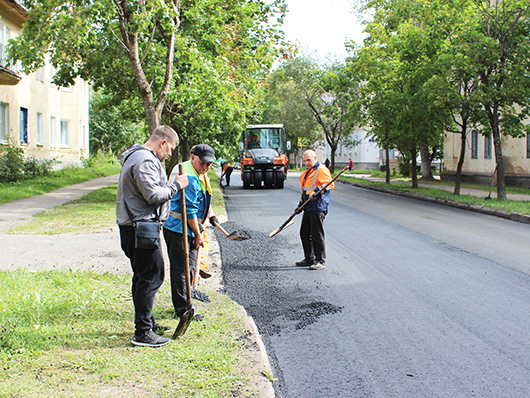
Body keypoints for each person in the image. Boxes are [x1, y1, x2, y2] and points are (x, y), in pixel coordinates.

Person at [116, 125, 188, 348]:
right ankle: (143, 332)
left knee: (143, 276)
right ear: (162, 143)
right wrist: (176, 186)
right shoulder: (144, 160)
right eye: (170, 150)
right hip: (141, 229)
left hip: (138, 227)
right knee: (151, 275)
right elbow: (153, 195)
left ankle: (147, 322)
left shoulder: (140, 157)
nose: (169, 155)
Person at [164, 144, 218, 321]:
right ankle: (183, 310)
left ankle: (188, 300)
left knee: (190, 268)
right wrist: (198, 234)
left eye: (209, 164)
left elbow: (204, 197)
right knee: (181, 270)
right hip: (178, 229)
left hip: (190, 228)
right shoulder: (188, 176)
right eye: (203, 163)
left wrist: (211, 215)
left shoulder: (199, 173)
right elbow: (191, 212)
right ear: (193, 156)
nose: (206, 167)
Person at [294, 150, 335, 270]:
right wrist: (300, 205)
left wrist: (317, 191)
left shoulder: (322, 170)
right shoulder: (306, 173)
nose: (307, 163)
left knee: (316, 234)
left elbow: (329, 184)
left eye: (309, 160)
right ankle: (309, 258)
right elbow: (305, 192)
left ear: (315, 158)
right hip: (308, 207)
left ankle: (320, 261)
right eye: (305, 160)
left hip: (318, 207)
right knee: (304, 233)